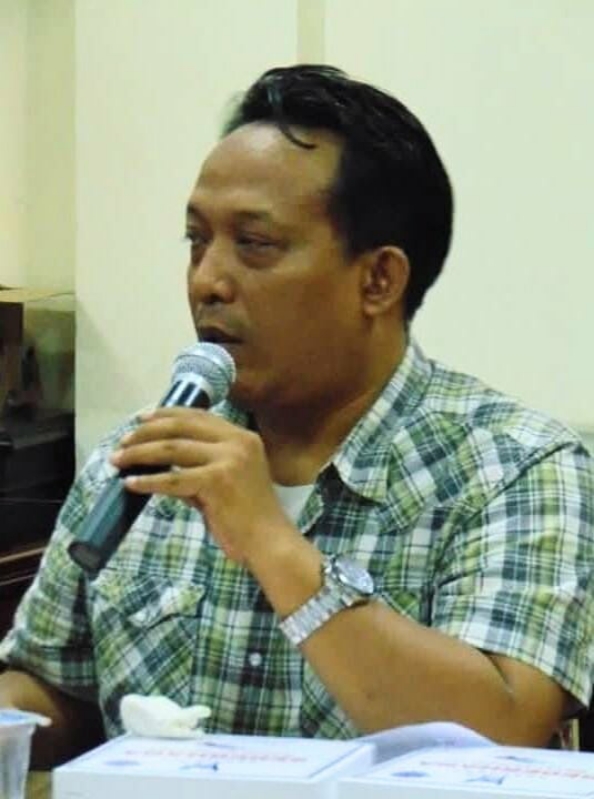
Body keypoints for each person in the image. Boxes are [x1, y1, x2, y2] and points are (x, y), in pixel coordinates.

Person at [0, 64, 592, 767]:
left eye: (255, 244)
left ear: (378, 280)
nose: (207, 280)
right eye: (196, 240)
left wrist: (269, 540)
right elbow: (55, 690)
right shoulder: (140, 454)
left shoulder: (516, 467)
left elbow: (503, 732)